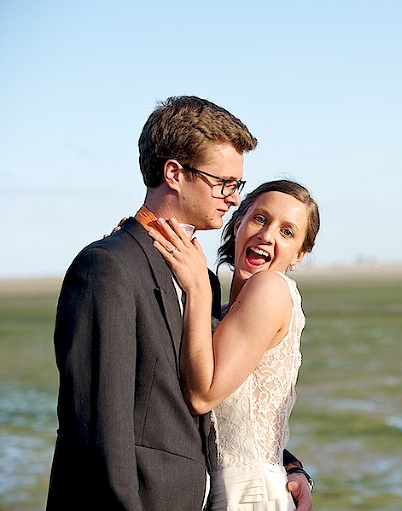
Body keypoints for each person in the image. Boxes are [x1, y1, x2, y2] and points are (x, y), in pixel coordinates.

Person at [47, 97, 312, 510]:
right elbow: (99, 429)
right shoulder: (109, 266)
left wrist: (288, 466)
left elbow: (221, 412)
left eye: (236, 186)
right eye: (223, 182)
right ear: (174, 173)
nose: (231, 197)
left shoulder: (201, 279)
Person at [148, 179, 319, 511]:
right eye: (260, 219)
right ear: (238, 223)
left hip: (248, 497)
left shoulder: (270, 288)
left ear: (299, 254)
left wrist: (198, 288)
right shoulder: (227, 312)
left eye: (287, 232)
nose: (267, 235)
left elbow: (202, 395)